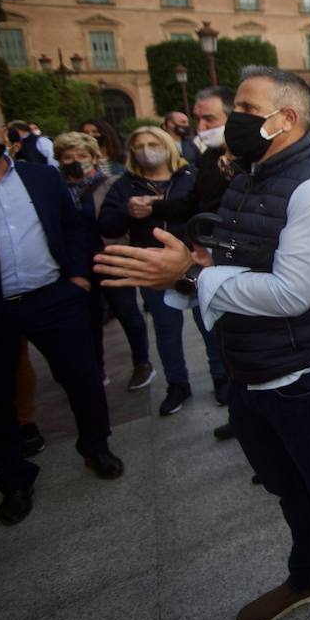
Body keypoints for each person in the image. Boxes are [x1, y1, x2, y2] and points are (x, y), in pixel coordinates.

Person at [94, 66, 310, 620]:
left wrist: (189, 273)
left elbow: (290, 292)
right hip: (252, 370)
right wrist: (185, 274)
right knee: (287, 487)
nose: (232, 120)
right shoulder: (248, 178)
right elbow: (225, 264)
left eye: (244, 108)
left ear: (286, 119)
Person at [0, 104, 124, 527]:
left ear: (3, 134)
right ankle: (13, 477)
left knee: (83, 377)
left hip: (53, 297)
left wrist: (77, 277)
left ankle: (96, 447)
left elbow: (73, 226)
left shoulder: (40, 176)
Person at [98, 126, 214, 416]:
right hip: (152, 268)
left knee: (211, 324)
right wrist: (127, 210)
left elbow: (205, 209)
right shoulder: (126, 185)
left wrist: (163, 209)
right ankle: (177, 384)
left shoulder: (192, 177)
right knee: (166, 329)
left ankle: (222, 377)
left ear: (167, 147)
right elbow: (107, 225)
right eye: (139, 145)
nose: (147, 150)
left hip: (195, 263)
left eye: (153, 143)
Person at [147, 86, 237, 421]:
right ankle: (238, 410)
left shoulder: (250, 160)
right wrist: (156, 207)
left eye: (209, 118)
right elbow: (197, 201)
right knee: (217, 330)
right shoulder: (210, 157)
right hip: (208, 258)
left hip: (237, 263)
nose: (201, 125)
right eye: (198, 118)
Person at [54, 131, 155, 390]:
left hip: (112, 256)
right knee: (88, 318)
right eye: (67, 156)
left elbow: (121, 220)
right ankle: (96, 368)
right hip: (77, 263)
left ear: (94, 158)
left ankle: (142, 363)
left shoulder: (112, 184)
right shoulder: (56, 189)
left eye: (81, 155)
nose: (75, 161)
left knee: (127, 311)